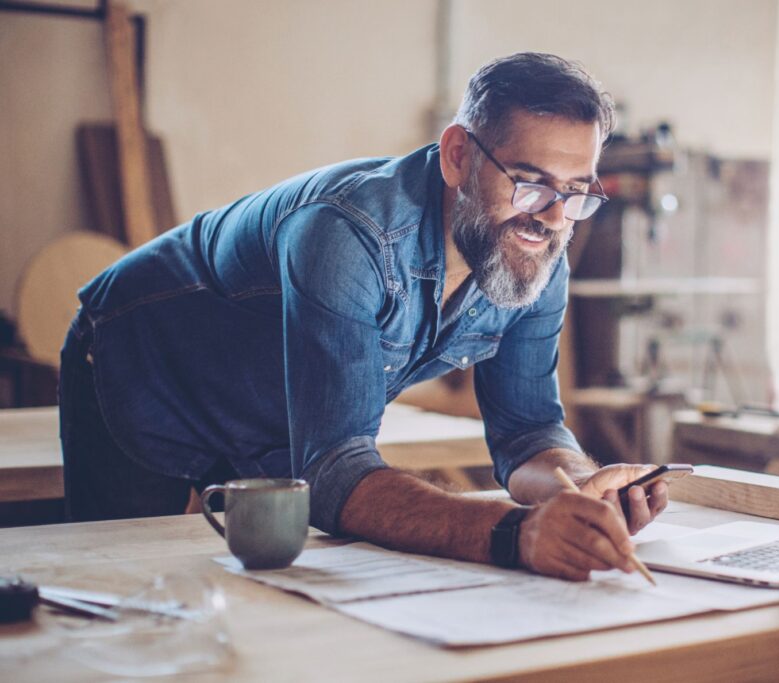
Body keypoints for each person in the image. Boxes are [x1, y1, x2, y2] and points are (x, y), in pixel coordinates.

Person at [59, 52, 669, 581]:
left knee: (262, 610)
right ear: (458, 155)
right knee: (131, 593)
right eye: (531, 182)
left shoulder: (538, 257)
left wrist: (579, 488)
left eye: (576, 193)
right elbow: (334, 473)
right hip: (144, 368)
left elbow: (528, 433)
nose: (553, 217)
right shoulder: (347, 235)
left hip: (276, 417)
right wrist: (513, 534)